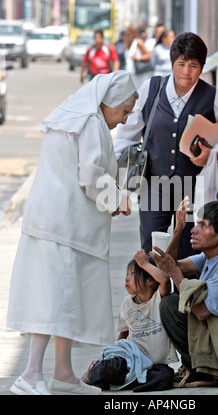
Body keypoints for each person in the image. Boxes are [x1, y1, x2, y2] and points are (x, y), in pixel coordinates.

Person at [6, 71, 138, 395]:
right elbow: (91, 175)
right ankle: (31, 373)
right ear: (109, 102)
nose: (123, 121)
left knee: (63, 299)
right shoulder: (91, 122)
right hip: (63, 225)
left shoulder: (73, 113)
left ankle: (62, 374)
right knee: (53, 301)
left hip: (55, 221)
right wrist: (117, 200)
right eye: (124, 112)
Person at [113, 32, 218, 262]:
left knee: (190, 254)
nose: (186, 72)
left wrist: (212, 154)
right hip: (154, 187)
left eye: (193, 65)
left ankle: (183, 298)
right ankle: (155, 298)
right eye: (181, 64)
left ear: (202, 68)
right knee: (153, 252)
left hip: (195, 190)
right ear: (172, 63)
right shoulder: (150, 89)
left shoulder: (214, 97)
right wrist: (119, 182)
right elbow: (126, 135)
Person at [150, 199, 218, 388]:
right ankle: (200, 367)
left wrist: (173, 271)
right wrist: (178, 229)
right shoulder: (210, 255)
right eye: (196, 224)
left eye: (203, 225)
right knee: (173, 298)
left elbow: (202, 312)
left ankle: (205, 371)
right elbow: (170, 265)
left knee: (171, 305)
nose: (194, 230)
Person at [82, 252, 178, 391]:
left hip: (155, 365)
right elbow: (123, 336)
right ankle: (94, 369)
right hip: (130, 361)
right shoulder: (127, 304)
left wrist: (145, 264)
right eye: (127, 274)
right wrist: (114, 357)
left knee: (164, 376)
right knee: (111, 366)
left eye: (132, 274)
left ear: (150, 280)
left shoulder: (159, 299)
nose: (127, 278)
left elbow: (164, 280)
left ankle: (128, 382)